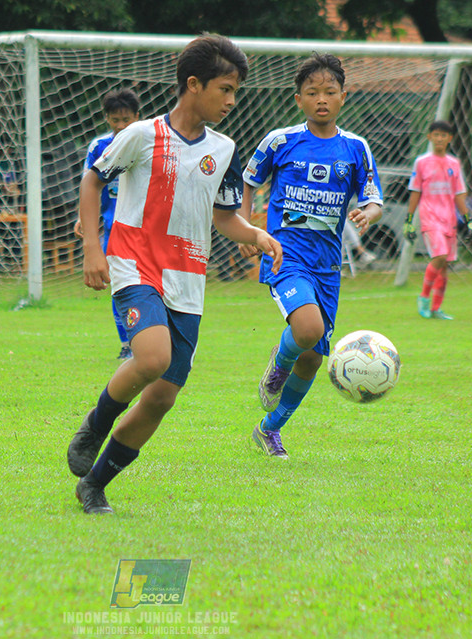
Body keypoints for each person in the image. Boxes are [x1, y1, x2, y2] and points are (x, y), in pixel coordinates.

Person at [66, 34, 283, 514]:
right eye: (225, 89)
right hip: (133, 262)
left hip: (188, 279)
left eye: (235, 91)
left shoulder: (224, 149)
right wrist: (92, 250)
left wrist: (257, 236)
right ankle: (95, 425)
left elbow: (225, 216)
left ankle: (95, 484)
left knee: (162, 397)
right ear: (193, 84)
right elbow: (93, 177)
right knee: (151, 357)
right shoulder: (142, 134)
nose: (231, 101)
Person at [241, 52, 383, 459]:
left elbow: (373, 199)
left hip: (328, 266)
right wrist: (250, 226)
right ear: (298, 99)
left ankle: (269, 430)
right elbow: (249, 181)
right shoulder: (280, 141)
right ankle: (277, 366)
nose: (322, 99)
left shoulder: (355, 148)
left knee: (314, 359)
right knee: (306, 330)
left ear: (343, 97)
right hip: (286, 255)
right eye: (312, 92)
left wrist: (366, 214)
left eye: (330, 92)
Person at [73, 88, 142, 359]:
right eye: (115, 120)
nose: (121, 126)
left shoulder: (147, 144)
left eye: (126, 119)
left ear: (138, 117)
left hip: (145, 228)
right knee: (118, 284)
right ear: (107, 119)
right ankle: (127, 343)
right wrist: (83, 217)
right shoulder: (99, 147)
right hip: (113, 229)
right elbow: (89, 186)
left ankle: (152, 338)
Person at [405, 119, 469, 320]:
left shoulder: (454, 163)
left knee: (444, 266)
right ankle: (423, 298)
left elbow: (459, 194)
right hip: (429, 216)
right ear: (429, 137)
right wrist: (408, 220)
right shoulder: (421, 162)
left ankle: (436, 308)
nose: (440, 138)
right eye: (436, 135)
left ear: (449, 139)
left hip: (449, 218)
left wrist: (468, 217)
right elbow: (415, 191)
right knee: (439, 255)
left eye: (444, 135)